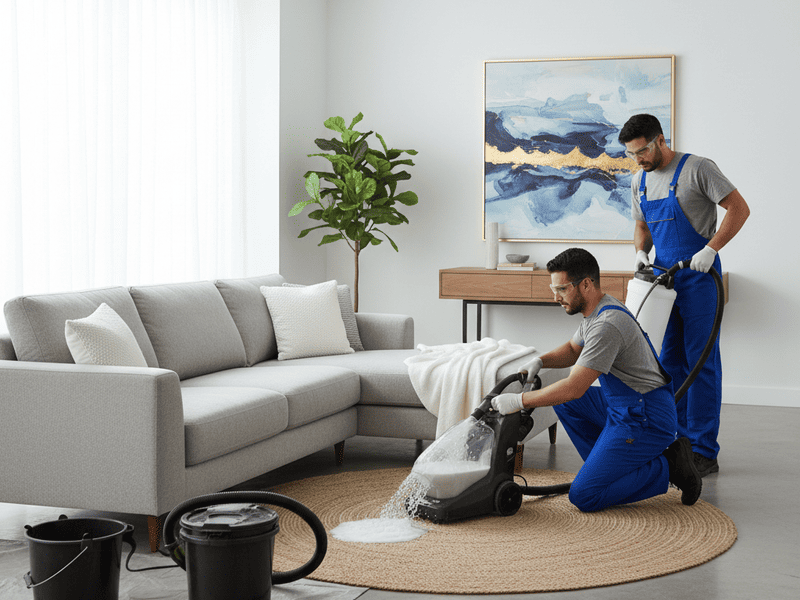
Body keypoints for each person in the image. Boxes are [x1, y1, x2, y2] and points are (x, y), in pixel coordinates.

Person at [491, 248, 702, 512]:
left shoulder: (606, 325)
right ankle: (609, 468)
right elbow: (572, 349)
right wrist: (540, 360)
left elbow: (574, 387)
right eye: (553, 289)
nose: (556, 297)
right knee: (565, 405)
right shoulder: (598, 309)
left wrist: (519, 401)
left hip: (646, 417)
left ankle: (669, 465)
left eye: (562, 289)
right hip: (625, 405)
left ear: (586, 284)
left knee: (584, 495)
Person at [618, 114, 750, 477]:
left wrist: (712, 248)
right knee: (668, 362)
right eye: (632, 154)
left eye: (642, 150)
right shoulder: (638, 181)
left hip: (699, 277)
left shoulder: (698, 169)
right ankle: (675, 442)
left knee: (701, 362)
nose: (638, 159)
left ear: (661, 140)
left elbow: (740, 209)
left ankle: (704, 449)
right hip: (662, 279)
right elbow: (642, 225)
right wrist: (640, 252)